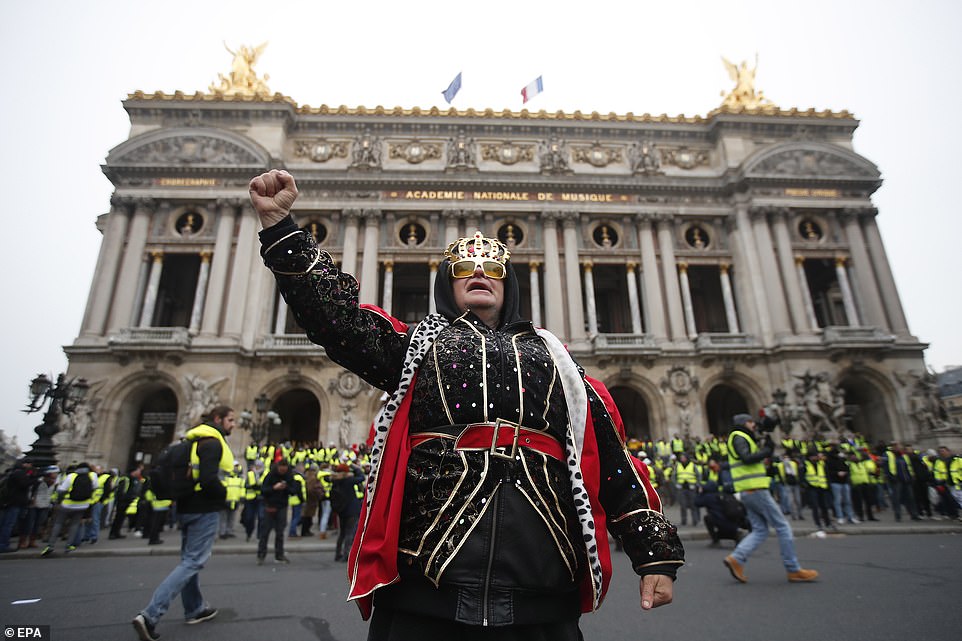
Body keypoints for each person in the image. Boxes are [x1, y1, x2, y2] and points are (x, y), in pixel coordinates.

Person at [250, 169, 684, 638]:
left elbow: (616, 466)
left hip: (541, 586)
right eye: (463, 267)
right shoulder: (417, 347)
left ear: (508, 285)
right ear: (447, 285)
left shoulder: (558, 362)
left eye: (493, 268)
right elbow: (336, 318)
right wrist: (281, 229)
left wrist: (654, 554)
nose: (479, 272)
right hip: (428, 580)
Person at [132, 405, 236, 641]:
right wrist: (224, 495)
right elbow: (209, 480)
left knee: (190, 559)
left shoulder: (191, 442)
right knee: (193, 561)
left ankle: (195, 608)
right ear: (218, 419)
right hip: (204, 508)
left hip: (186, 507)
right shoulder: (212, 443)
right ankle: (150, 615)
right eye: (230, 420)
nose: (233, 424)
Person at [722, 413, 818, 584]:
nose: (754, 425)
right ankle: (793, 568)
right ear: (744, 423)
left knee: (760, 529)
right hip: (755, 489)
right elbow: (747, 458)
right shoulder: (739, 436)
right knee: (782, 526)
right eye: (751, 422)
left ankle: (737, 557)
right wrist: (766, 451)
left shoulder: (742, 437)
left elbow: (748, 462)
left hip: (749, 489)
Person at [41, 461, 98, 557]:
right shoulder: (93, 476)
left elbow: (62, 490)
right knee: (74, 525)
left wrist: (60, 499)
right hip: (83, 505)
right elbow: (95, 487)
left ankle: (50, 545)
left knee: (58, 524)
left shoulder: (71, 476)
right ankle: (69, 545)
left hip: (67, 504)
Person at [258, 458, 295, 564]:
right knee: (265, 532)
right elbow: (263, 490)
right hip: (270, 505)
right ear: (278, 467)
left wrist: (286, 487)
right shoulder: (270, 475)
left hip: (282, 506)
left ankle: (279, 554)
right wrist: (274, 488)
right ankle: (261, 554)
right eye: (281, 469)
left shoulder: (289, 476)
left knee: (280, 532)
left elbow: (293, 490)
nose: (283, 471)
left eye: (284, 469)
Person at [0, 457, 36, 553]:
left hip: (8, 502)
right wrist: (35, 479)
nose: (31, 467)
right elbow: (25, 484)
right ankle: (3, 544)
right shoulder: (19, 473)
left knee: (5, 523)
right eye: (30, 464)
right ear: (25, 464)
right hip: (14, 502)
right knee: (8, 524)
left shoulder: (13, 472)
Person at [330, 462, 364, 562]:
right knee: (350, 532)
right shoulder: (348, 480)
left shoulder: (335, 481)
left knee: (342, 533)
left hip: (341, 510)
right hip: (352, 510)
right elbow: (361, 477)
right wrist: (356, 468)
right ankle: (347, 554)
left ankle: (338, 553)